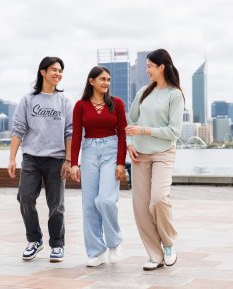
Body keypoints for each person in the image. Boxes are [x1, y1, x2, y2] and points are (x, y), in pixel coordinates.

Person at [8, 56, 72, 263]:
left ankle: (57, 244)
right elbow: (18, 129)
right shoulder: (28, 100)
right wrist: (11, 159)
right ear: (42, 72)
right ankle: (34, 240)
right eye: (54, 70)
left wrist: (69, 160)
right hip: (31, 158)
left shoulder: (65, 101)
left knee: (56, 204)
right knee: (25, 197)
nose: (58, 74)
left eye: (60, 70)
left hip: (56, 159)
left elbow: (70, 132)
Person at [125, 49, 184, 271]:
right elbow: (131, 120)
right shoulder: (143, 92)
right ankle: (154, 254)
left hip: (163, 153)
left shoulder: (175, 95)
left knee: (158, 200)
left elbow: (173, 131)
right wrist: (130, 143)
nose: (146, 69)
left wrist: (144, 130)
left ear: (162, 67)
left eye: (150, 65)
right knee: (140, 207)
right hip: (140, 154)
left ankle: (168, 243)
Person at [70, 66, 127, 267]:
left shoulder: (117, 104)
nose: (106, 83)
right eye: (102, 79)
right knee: (88, 205)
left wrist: (121, 162)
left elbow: (123, 133)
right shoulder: (80, 106)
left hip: (111, 151)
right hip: (89, 153)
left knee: (105, 200)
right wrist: (74, 163)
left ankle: (114, 242)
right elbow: (77, 134)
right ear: (91, 81)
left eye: (108, 80)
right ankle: (96, 251)